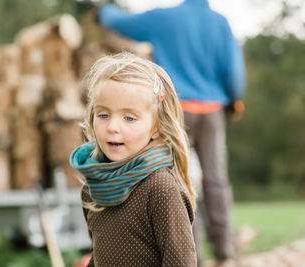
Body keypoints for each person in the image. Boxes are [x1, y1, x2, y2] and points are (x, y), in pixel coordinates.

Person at [96, 0, 246, 264]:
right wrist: (234, 98)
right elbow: (232, 71)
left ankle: (193, 253)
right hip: (211, 109)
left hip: (176, 109)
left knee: (179, 179)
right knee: (215, 178)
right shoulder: (219, 22)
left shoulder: (164, 19)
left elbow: (121, 22)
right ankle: (224, 251)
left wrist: (103, 12)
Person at [69, 52, 197, 267]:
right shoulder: (95, 188)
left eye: (129, 118)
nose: (112, 127)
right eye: (103, 115)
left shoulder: (160, 189)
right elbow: (100, 257)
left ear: (156, 126)